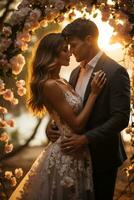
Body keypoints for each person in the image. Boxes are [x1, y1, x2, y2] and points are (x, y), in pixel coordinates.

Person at [9, 33, 106, 200]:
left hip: (77, 151)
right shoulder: (49, 85)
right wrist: (94, 94)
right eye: (64, 50)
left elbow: (62, 114)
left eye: (69, 49)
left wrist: (53, 124)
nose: (70, 54)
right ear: (52, 54)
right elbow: (76, 125)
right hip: (66, 153)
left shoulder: (63, 81)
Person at [46, 18, 130, 200]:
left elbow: (121, 118)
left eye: (74, 45)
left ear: (89, 40)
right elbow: (70, 108)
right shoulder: (75, 73)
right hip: (74, 161)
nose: (71, 51)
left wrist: (85, 139)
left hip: (102, 158)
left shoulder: (115, 72)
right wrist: (53, 126)